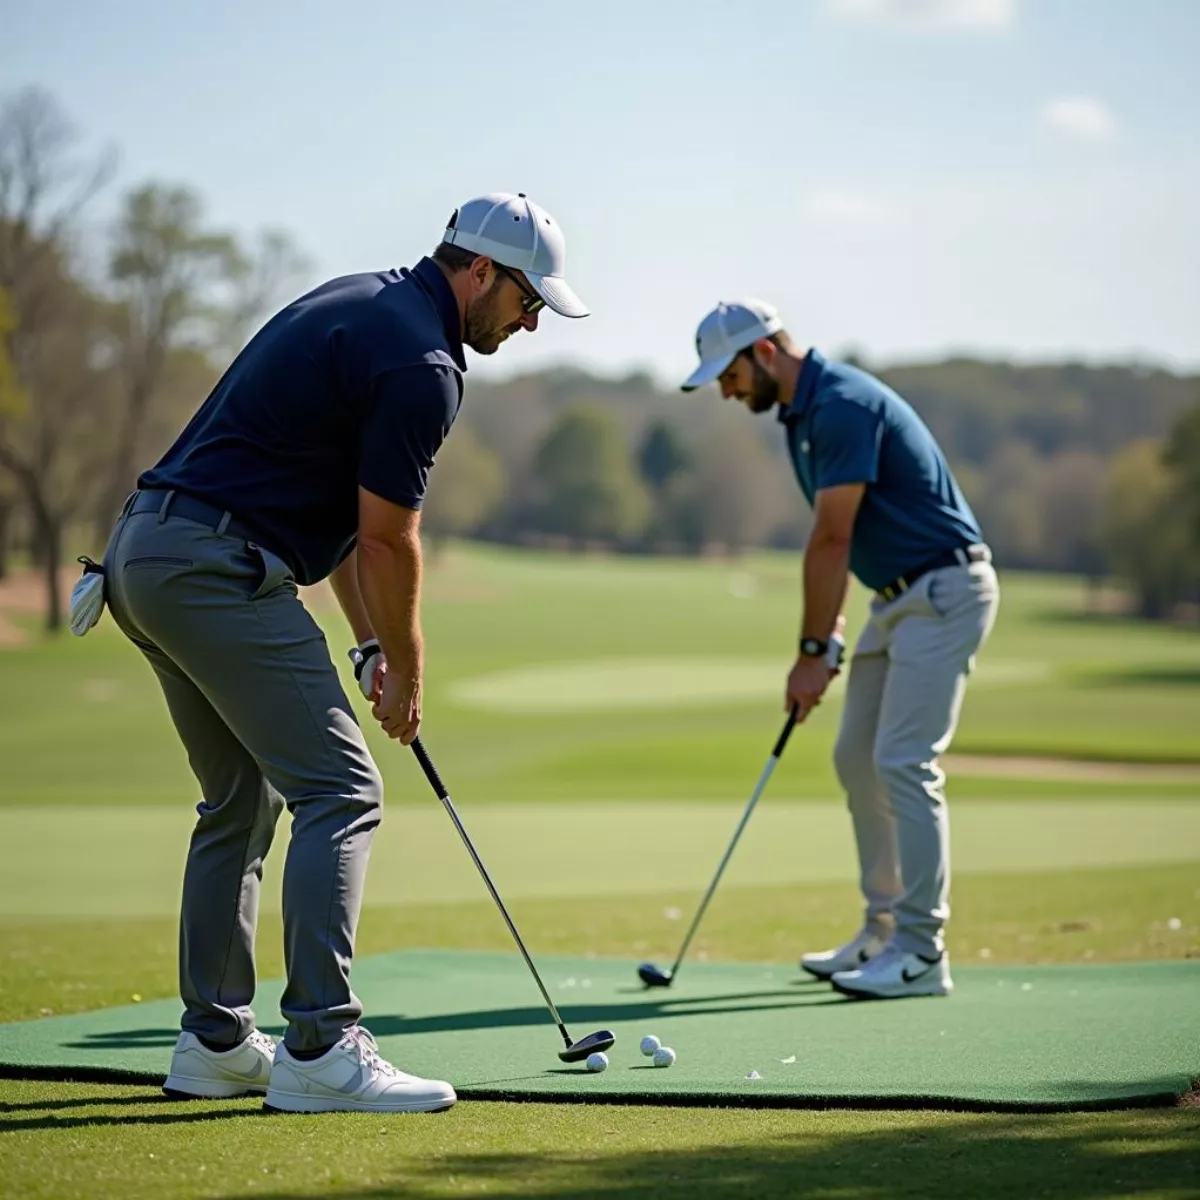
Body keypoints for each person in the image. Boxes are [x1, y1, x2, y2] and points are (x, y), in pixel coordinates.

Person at [94, 192, 588, 1111]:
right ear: (480, 271)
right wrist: (408, 667)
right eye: (527, 301)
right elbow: (388, 539)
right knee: (341, 789)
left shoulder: (363, 302)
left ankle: (215, 1043)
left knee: (240, 799)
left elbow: (339, 527)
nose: (530, 323)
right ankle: (322, 1048)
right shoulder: (425, 362)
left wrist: (369, 648)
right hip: (213, 565)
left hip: (146, 555)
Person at [681, 300, 999, 1000]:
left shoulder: (842, 405)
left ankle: (922, 951)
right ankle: (883, 929)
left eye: (729, 376)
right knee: (856, 757)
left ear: (764, 353)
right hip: (895, 598)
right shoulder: (804, 415)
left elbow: (831, 538)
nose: (726, 392)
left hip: (945, 591)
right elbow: (852, 539)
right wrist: (828, 639)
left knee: (904, 761)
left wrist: (808, 650)